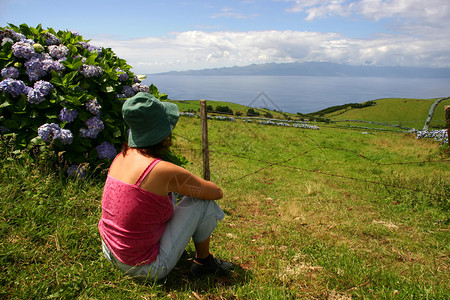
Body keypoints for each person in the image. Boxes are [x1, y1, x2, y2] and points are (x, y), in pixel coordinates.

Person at [98, 92, 234, 282]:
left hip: (110, 249)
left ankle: (201, 259)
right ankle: (204, 261)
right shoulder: (161, 170)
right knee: (202, 201)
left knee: (168, 197)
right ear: (163, 133)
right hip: (143, 268)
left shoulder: (121, 156)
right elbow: (215, 192)